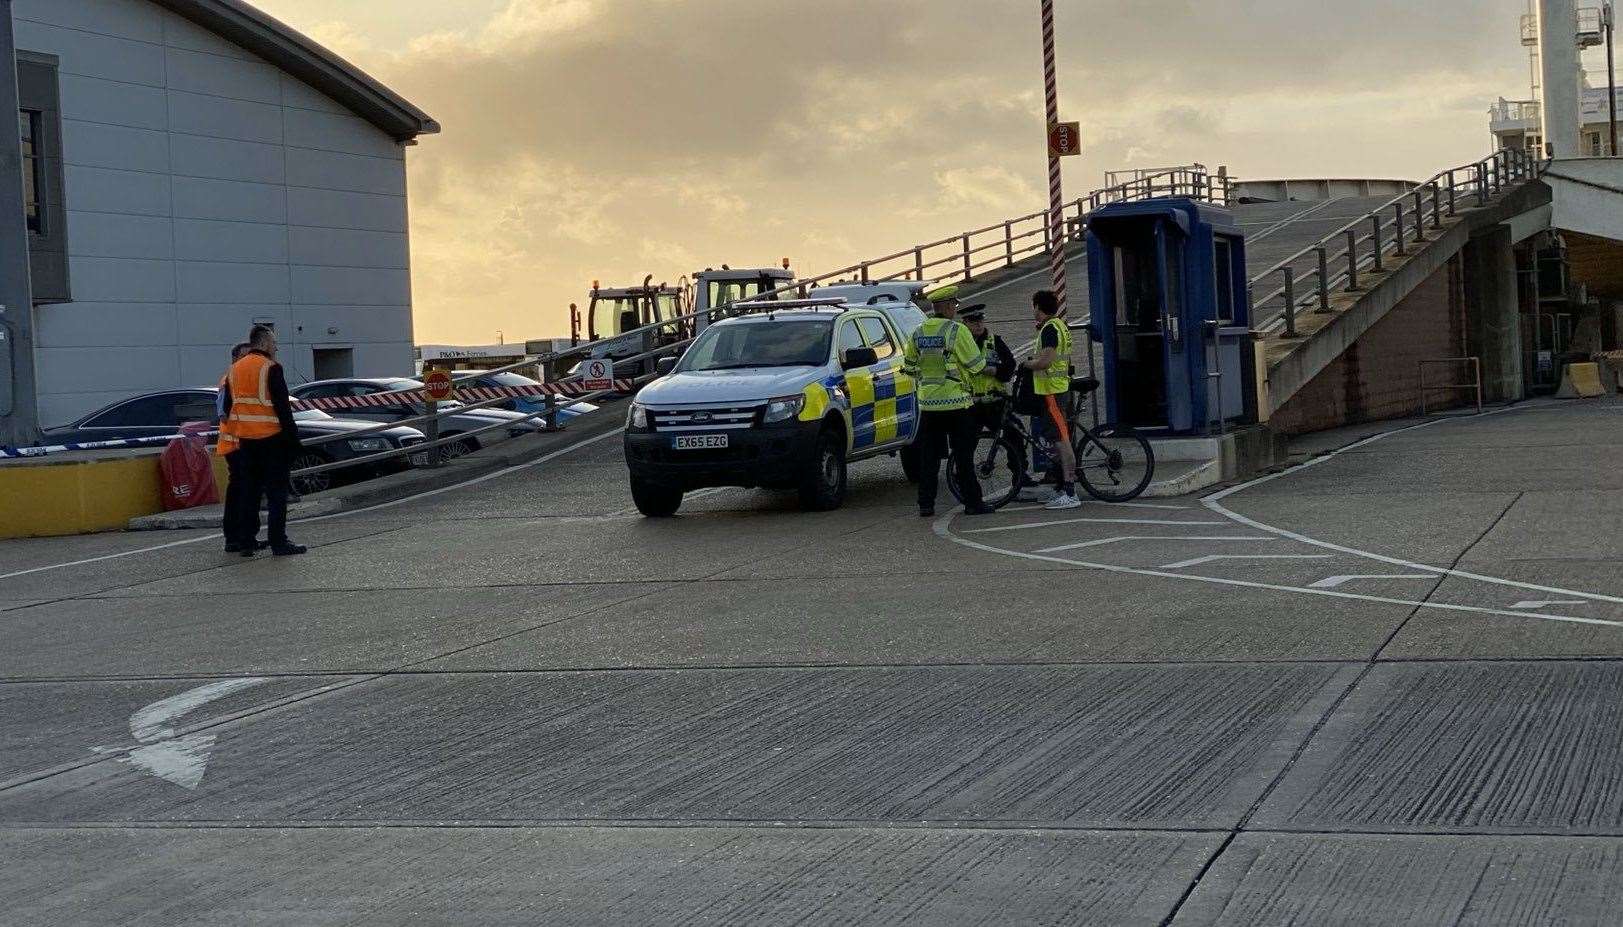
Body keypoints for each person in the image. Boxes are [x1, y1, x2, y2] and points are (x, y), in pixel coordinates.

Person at [904, 287, 994, 518]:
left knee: (929, 458)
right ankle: (973, 503)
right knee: (963, 457)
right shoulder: (957, 331)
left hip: (929, 406)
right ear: (944, 306)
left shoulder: (918, 332)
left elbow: (910, 367)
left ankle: (926, 504)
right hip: (956, 404)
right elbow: (976, 365)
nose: (955, 308)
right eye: (953, 305)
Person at [218, 325, 307, 556]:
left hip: (245, 441)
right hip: (271, 438)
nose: (276, 347)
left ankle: (246, 542)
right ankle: (279, 541)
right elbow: (282, 407)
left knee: (250, 492)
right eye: (274, 342)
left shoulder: (233, 370)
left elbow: (226, 407)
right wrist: (293, 440)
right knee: (277, 494)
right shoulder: (271, 368)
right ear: (265, 342)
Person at [1021, 289, 1081, 510]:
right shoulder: (1059, 325)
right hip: (1058, 389)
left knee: (1062, 441)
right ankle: (1062, 488)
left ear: (1038, 306)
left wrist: (1028, 364)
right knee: (1060, 438)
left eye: (1034, 307)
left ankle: (1070, 492)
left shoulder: (1049, 329)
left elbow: (1045, 361)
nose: (1033, 311)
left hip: (1052, 392)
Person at [960, 305, 1024, 481]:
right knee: (965, 444)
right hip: (970, 404)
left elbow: (1010, 366)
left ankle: (1020, 476)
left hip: (995, 403)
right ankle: (961, 478)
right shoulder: (959, 345)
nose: (978, 324)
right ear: (964, 323)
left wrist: (995, 371)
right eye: (973, 321)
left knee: (1015, 434)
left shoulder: (995, 341)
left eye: (980, 320)